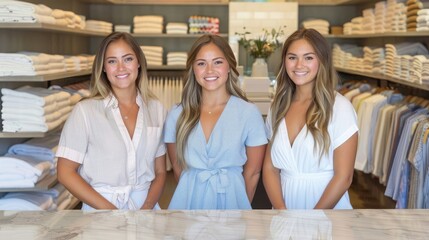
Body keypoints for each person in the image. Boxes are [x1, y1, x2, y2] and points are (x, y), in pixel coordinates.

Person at [56, 32, 166, 210]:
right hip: (100, 209)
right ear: (104, 67)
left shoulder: (156, 109)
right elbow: (65, 172)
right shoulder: (85, 111)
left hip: (145, 210)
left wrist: (146, 208)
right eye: (112, 61)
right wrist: (111, 212)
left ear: (139, 62)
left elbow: (161, 172)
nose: (121, 68)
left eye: (128, 59)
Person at [163, 34, 267, 209]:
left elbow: (253, 172)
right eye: (201, 63)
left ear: (229, 67)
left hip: (233, 201)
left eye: (217, 62)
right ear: (193, 69)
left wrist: (240, 205)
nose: (209, 70)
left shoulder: (249, 113)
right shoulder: (177, 114)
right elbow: (177, 166)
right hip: (188, 201)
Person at [263, 28, 358, 209]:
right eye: (292, 57)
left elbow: (344, 177)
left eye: (308, 57)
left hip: (325, 211)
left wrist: (314, 218)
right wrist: (282, 212)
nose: (299, 65)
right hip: (284, 209)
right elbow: (270, 168)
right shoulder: (278, 106)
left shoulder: (340, 108)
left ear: (322, 61)